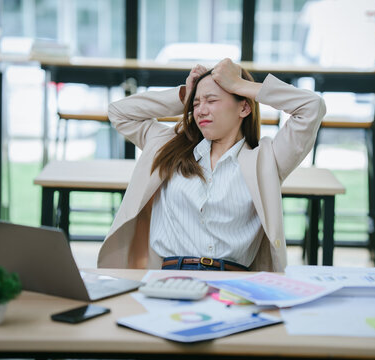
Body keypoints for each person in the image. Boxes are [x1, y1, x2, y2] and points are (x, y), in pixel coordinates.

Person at [97, 58, 325, 272]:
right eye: (196, 104)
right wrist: (184, 95)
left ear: (244, 108)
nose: (200, 110)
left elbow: (311, 107)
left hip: (233, 283)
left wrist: (240, 84)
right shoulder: (166, 146)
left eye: (212, 100)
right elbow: (119, 112)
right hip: (169, 277)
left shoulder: (267, 159)